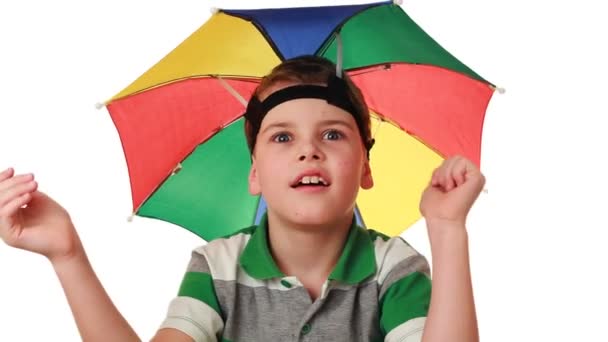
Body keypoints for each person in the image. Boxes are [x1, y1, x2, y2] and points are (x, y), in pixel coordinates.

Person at [0, 55, 485, 341]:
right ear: (254, 172)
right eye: (281, 138)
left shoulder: (393, 268)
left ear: (366, 168)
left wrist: (447, 231)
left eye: (333, 135)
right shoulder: (217, 268)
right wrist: (68, 256)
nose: (309, 151)